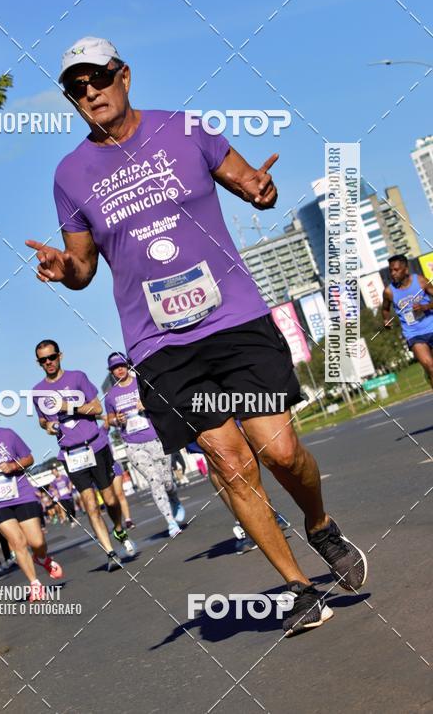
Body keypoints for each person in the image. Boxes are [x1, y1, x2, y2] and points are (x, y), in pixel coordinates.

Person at [26, 36, 367, 635]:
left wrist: (263, 191)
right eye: (75, 88)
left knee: (282, 451)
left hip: (234, 317)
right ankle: (296, 586)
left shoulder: (185, 129)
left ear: (124, 76)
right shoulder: (71, 174)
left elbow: (251, 185)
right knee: (231, 464)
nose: (89, 94)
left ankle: (318, 524)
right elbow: (83, 269)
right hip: (161, 344)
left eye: (97, 80)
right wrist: (65, 269)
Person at [33, 340, 135, 570]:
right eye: (43, 360)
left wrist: (67, 407)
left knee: (110, 500)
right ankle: (110, 553)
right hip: (71, 454)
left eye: (51, 357)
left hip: (95, 446)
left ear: (60, 356)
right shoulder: (38, 391)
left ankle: (118, 529)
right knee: (90, 505)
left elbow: (97, 409)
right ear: (38, 363)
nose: (48, 362)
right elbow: (42, 420)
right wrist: (47, 426)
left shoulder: (77, 377)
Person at [0, 401, 62, 599]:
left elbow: (29, 458)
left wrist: (13, 465)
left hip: (22, 494)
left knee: (37, 541)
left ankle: (42, 558)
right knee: (18, 542)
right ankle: (35, 584)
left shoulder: (8, 435)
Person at [104, 351, 185, 537]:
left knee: (166, 481)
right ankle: (170, 522)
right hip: (133, 445)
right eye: (116, 368)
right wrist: (117, 419)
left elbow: (162, 402)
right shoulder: (111, 396)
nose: (120, 370)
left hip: (156, 438)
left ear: (128, 365)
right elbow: (110, 420)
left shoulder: (141, 382)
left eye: (122, 365)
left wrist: (147, 403)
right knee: (154, 481)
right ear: (111, 371)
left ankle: (174, 498)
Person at [382, 255, 433, 388]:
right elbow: (385, 309)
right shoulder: (389, 292)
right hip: (414, 334)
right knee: (430, 367)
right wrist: (386, 320)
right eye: (391, 271)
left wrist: (425, 307)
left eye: (396, 270)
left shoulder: (421, 281)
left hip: (431, 326)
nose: (393, 274)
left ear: (405, 269)